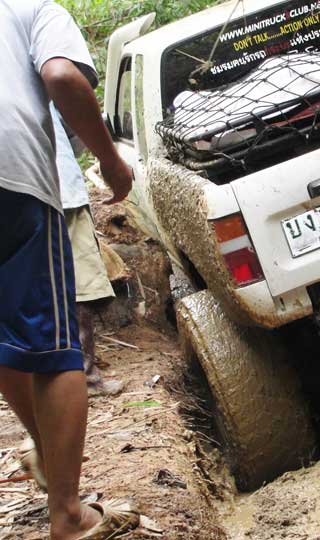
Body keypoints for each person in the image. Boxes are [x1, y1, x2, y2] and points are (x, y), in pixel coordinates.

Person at [0, 1, 137, 539]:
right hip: (14, 181)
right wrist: (110, 159)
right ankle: (69, 516)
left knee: (6, 336)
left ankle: (48, 453)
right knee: (57, 350)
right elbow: (60, 75)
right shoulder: (32, 7)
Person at [51, 105, 125, 397]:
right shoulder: (34, 78)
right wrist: (110, 159)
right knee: (79, 284)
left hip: (16, 198)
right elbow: (73, 115)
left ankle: (49, 383)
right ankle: (86, 379)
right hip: (58, 190)